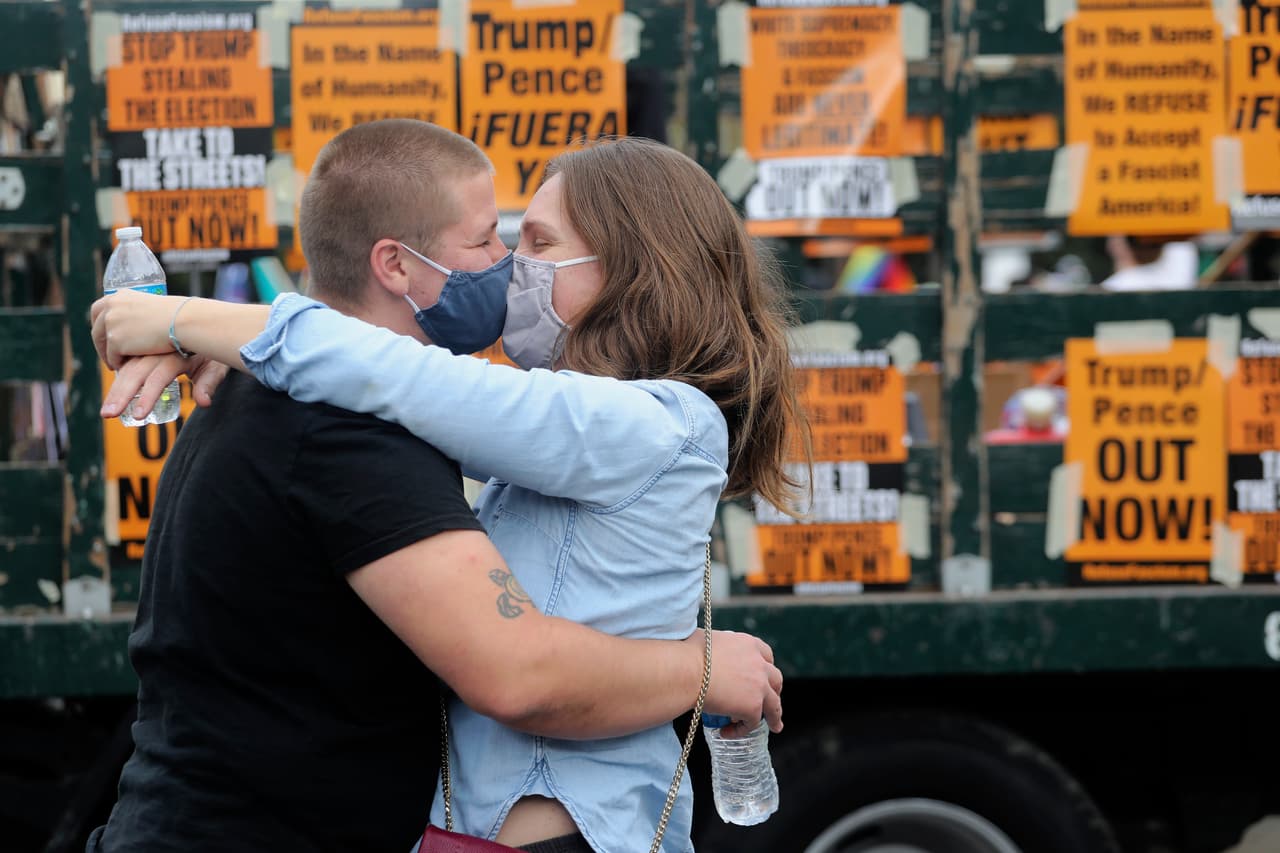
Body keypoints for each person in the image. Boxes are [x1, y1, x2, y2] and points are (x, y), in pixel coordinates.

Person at [87, 122, 784, 853]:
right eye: (491, 241)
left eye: (533, 245)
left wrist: (192, 321)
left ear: (632, 269)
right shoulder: (341, 419)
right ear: (395, 264)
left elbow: (415, 380)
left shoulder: (649, 421)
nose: (510, 267)